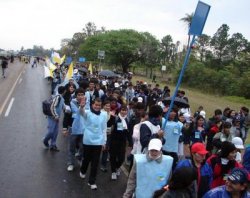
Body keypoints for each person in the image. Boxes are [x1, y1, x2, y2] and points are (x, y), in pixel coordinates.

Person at [79, 98, 107, 190]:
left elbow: (104, 129)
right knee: (86, 159)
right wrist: (81, 107)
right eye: (96, 105)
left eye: (99, 105)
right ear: (92, 104)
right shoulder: (87, 112)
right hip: (88, 140)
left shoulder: (104, 114)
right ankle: (83, 170)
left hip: (98, 141)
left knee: (95, 162)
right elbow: (81, 113)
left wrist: (104, 142)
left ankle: (92, 181)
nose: (97, 107)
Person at [110, 105, 131, 180]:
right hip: (114, 141)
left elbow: (128, 132)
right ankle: (113, 172)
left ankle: (117, 167)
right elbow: (116, 129)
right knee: (113, 157)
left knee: (121, 158)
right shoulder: (116, 118)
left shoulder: (127, 120)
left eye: (125, 110)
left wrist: (130, 142)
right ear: (120, 110)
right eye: (122, 110)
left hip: (122, 142)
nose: (124, 111)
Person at [66, 88, 85, 171]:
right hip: (74, 129)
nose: (80, 96)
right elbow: (77, 112)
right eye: (79, 95)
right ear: (76, 95)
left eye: (82, 94)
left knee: (82, 147)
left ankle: (80, 158)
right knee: (72, 147)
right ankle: (70, 163)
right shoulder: (71, 103)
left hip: (84, 129)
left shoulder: (87, 103)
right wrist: (64, 127)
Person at [43, 86, 66, 151]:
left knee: (55, 132)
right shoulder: (57, 97)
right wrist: (55, 115)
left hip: (57, 118)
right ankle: (45, 140)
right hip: (52, 117)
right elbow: (52, 107)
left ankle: (53, 145)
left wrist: (66, 109)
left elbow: (63, 106)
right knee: (51, 131)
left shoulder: (61, 98)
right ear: (64, 91)